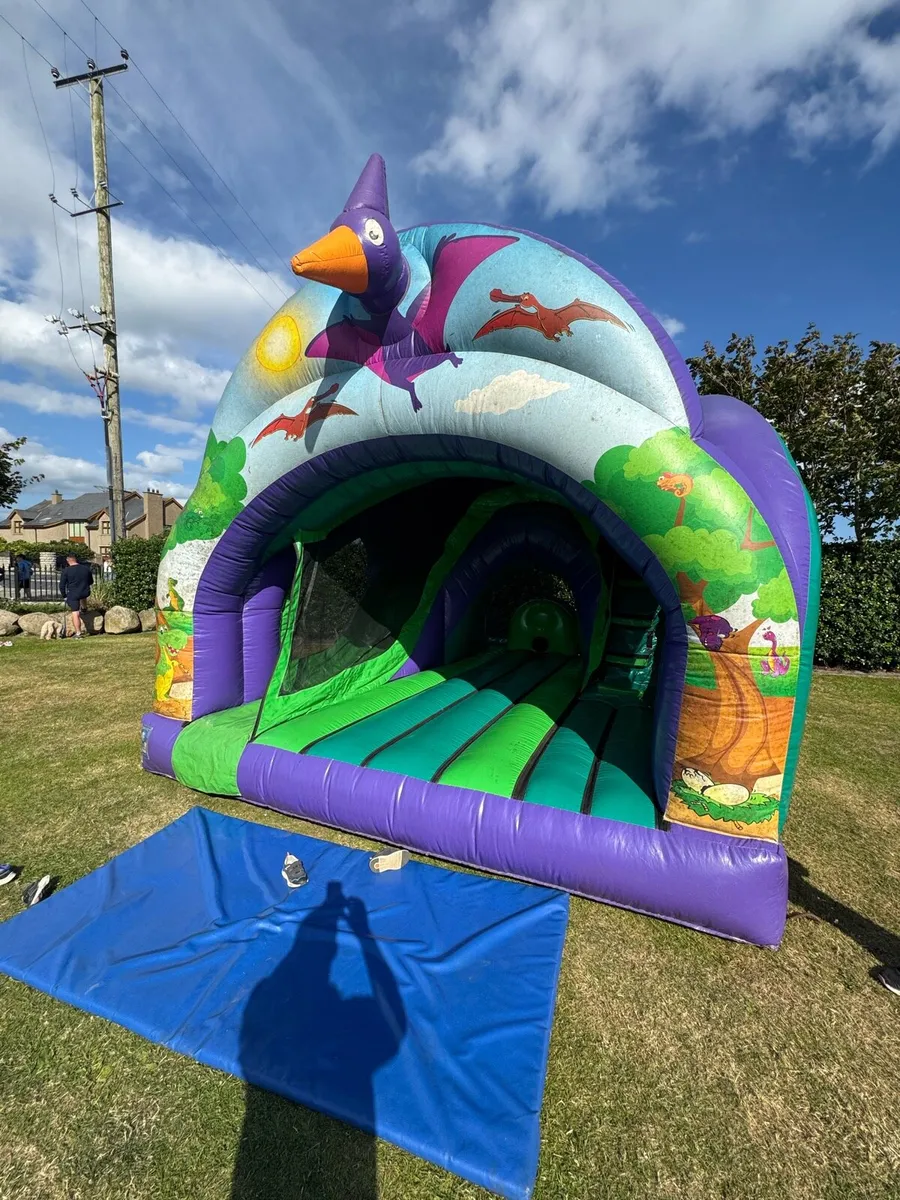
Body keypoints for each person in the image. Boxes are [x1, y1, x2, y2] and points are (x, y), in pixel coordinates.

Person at [58, 553, 93, 639]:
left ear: (68, 561)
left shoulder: (66, 571)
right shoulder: (86, 569)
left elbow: (62, 585)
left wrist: (64, 596)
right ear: (75, 559)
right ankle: (84, 608)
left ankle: (78, 633)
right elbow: (91, 581)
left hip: (74, 593)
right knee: (82, 596)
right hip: (85, 592)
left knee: (75, 613)